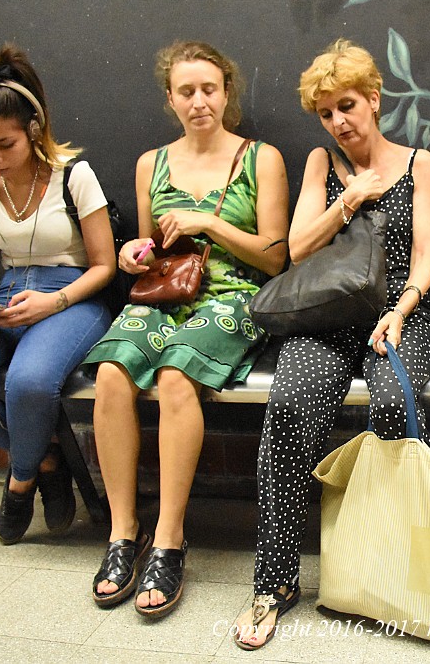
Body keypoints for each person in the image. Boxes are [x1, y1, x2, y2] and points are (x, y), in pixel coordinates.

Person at [232, 38, 430, 651]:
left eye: (347, 106)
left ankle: (384, 570)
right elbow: (297, 250)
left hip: (402, 314)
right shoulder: (323, 164)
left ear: (374, 100)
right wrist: (350, 198)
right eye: (326, 113)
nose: (338, 122)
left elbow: (425, 259)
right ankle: (274, 583)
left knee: (392, 408)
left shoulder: (418, 163)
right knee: (292, 402)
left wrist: (400, 312)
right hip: (326, 317)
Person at [84, 40, 289, 619]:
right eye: (186, 92)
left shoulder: (260, 158)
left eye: (209, 89)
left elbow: (276, 257)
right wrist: (132, 255)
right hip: (166, 294)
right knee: (112, 370)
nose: (199, 102)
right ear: (170, 99)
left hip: (233, 297)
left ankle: (169, 539)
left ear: (227, 93)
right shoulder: (153, 162)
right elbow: (153, 251)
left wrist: (208, 221)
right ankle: (124, 532)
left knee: (175, 374)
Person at [0, 44, 116, 545]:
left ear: (33, 130)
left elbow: (105, 266)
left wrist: (53, 302)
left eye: (4, 145)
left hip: (74, 295)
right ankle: (47, 456)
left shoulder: (74, 175)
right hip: (6, 293)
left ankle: (21, 481)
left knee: (30, 384)